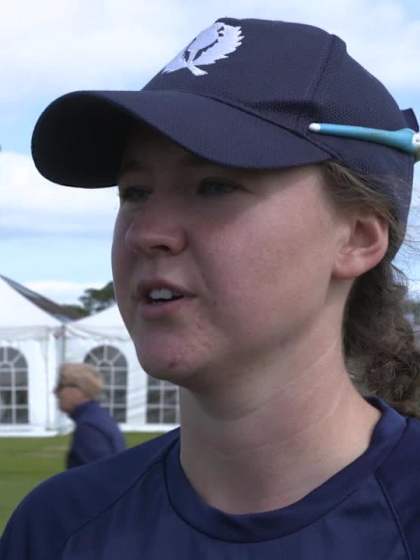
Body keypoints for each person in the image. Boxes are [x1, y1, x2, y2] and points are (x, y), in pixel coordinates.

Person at [1, 16, 420, 559]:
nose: (147, 232)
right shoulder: (57, 527)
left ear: (359, 239)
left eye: (214, 185)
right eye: (134, 191)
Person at [54, 363, 126, 468]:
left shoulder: (89, 427)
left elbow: (99, 478)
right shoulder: (97, 416)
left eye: (61, 386)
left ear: (80, 389)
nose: (55, 392)